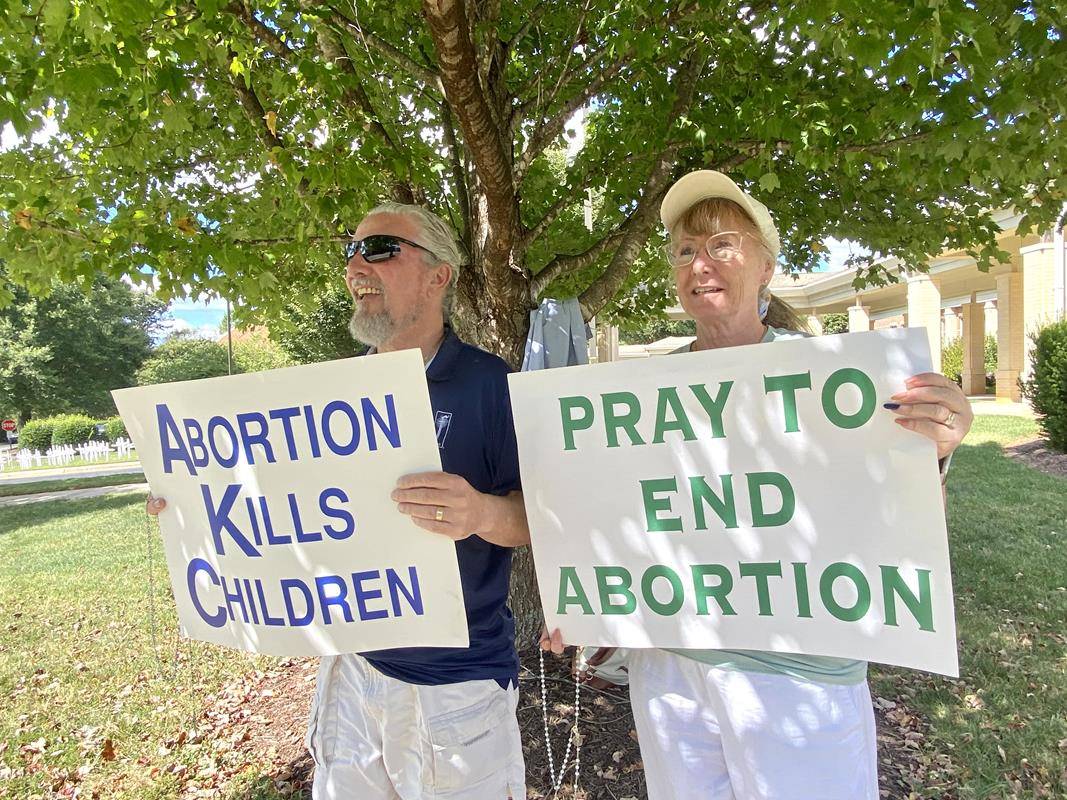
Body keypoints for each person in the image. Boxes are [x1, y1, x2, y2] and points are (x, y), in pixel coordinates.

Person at [542, 170, 973, 800]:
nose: (700, 263)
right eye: (686, 251)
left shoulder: (836, 377)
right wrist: (588, 602)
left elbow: (900, 523)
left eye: (722, 245)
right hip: (675, 668)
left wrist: (935, 449)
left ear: (766, 268)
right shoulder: (638, 397)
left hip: (801, 671)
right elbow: (623, 523)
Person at [149, 202, 530, 799]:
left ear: (439, 275)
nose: (356, 266)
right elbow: (273, 502)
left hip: (455, 686)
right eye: (350, 252)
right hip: (351, 673)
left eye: (379, 249)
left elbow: (540, 517)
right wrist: (191, 501)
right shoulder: (332, 393)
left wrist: (480, 512)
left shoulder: (490, 383)